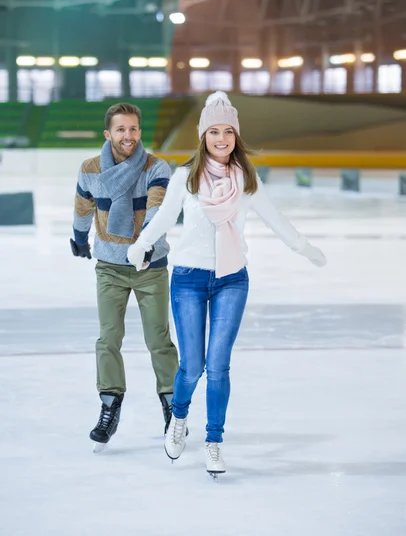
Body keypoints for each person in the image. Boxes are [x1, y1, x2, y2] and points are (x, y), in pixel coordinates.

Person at [127, 91, 326, 475]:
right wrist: (141, 244)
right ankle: (179, 418)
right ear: (203, 135)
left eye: (228, 131)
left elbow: (276, 219)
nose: (222, 138)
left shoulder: (247, 180)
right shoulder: (186, 177)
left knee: (218, 366)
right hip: (187, 278)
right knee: (192, 366)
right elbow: (166, 218)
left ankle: (214, 441)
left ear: (236, 135)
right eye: (214, 131)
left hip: (232, 280)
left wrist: (304, 247)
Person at [71, 102, 179, 451]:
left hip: (150, 268)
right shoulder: (90, 169)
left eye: (133, 129)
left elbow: (158, 207)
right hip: (110, 267)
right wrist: (78, 236)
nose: (128, 135)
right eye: (121, 129)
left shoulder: (155, 167)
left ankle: (173, 410)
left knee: (159, 339)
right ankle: (110, 406)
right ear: (108, 134)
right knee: (108, 338)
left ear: (139, 132)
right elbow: (83, 206)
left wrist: (146, 243)